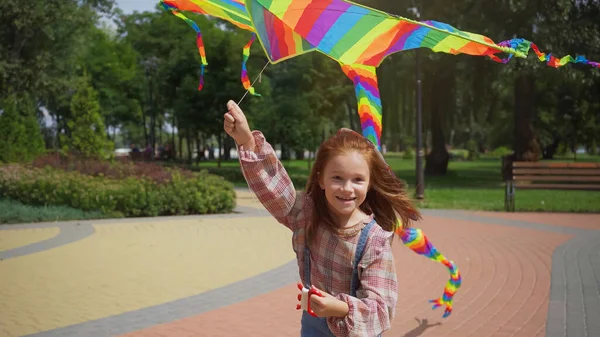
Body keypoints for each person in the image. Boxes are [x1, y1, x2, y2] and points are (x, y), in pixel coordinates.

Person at [224, 100, 421, 337]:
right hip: (314, 322)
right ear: (321, 179)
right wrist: (247, 141)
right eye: (337, 177)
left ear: (369, 185)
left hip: (355, 328)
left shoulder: (374, 240)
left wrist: (339, 307)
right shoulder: (306, 214)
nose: (347, 188)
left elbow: (381, 308)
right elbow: (275, 189)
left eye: (358, 180)